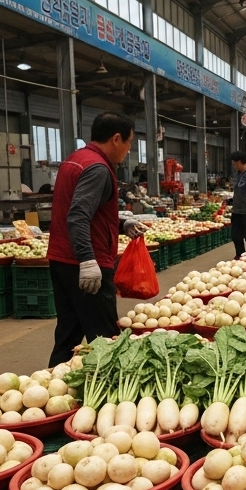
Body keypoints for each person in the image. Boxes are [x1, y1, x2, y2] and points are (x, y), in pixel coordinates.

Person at [46, 112, 147, 366]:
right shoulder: (98, 169)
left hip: (62, 260)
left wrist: (122, 224)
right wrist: (88, 260)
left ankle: (53, 382)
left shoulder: (76, 160)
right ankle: (111, 395)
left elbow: (84, 210)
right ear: (116, 139)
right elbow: (78, 215)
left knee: (68, 332)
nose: (128, 149)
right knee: (106, 337)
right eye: (129, 142)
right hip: (86, 263)